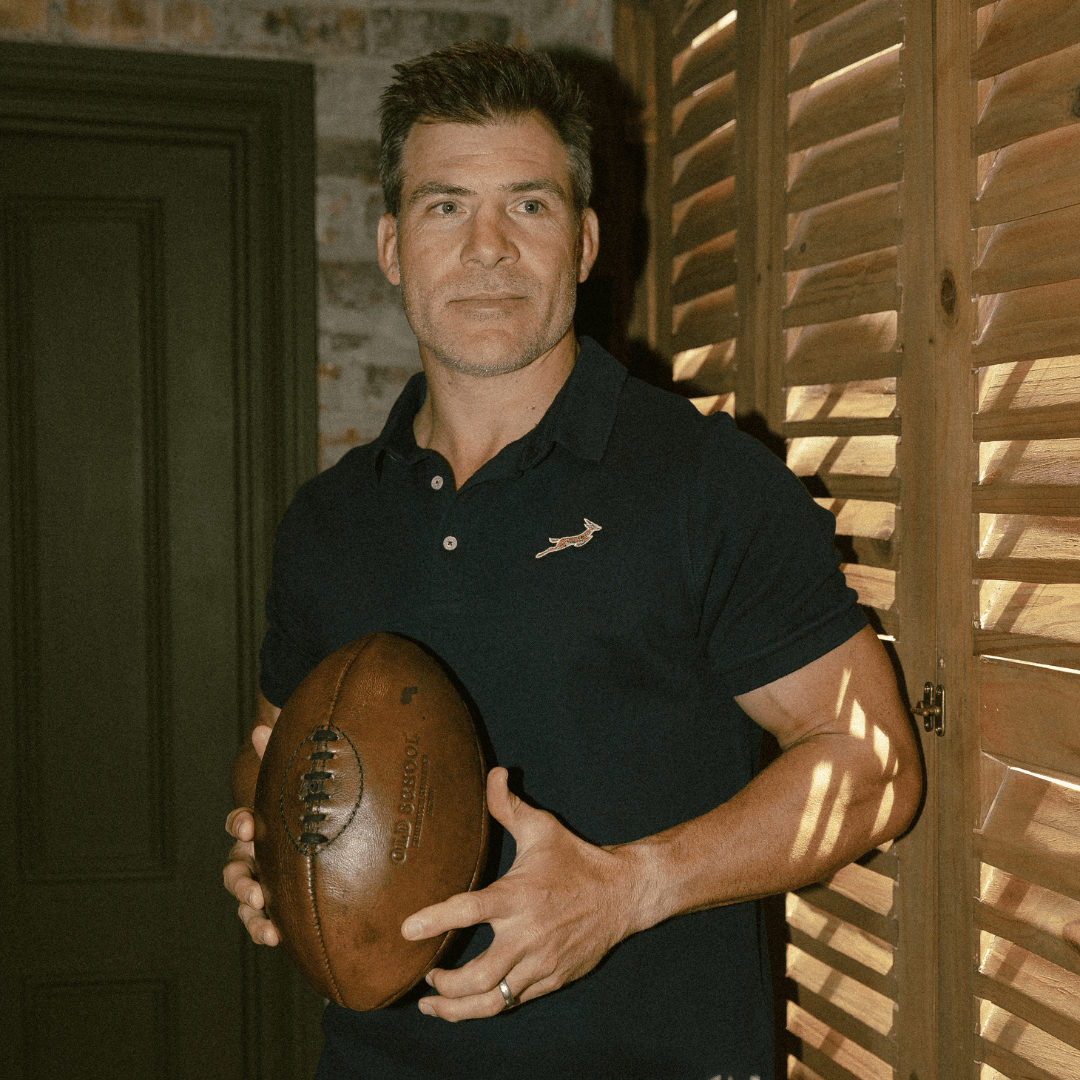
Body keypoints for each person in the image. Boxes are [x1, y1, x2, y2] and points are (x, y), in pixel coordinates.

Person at [224, 41, 922, 1080]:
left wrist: (628, 888)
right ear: (391, 245)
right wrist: (266, 851)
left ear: (586, 241)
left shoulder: (704, 481)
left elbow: (874, 765)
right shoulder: (328, 521)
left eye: (530, 205)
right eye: (446, 206)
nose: (489, 247)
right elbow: (277, 744)